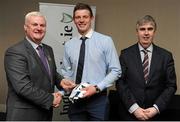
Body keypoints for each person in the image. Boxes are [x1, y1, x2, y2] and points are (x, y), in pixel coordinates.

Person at [4, 11, 75, 121]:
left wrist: (61, 81)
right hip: (24, 114)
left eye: (42, 25)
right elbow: (23, 87)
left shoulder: (48, 49)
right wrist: (50, 99)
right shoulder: (15, 52)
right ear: (25, 27)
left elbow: (51, 73)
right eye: (34, 24)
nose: (39, 28)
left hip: (45, 113)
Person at [61, 3, 121, 121]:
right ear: (74, 20)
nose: (81, 20)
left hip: (98, 101)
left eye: (85, 17)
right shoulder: (69, 45)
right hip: (76, 100)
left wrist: (97, 88)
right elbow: (66, 71)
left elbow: (116, 71)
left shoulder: (105, 41)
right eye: (78, 17)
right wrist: (65, 86)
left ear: (91, 18)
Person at [116, 15, 177, 121]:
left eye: (150, 29)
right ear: (137, 32)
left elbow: (171, 85)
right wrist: (134, 108)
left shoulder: (166, 56)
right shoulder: (125, 54)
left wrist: (155, 108)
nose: (146, 33)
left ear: (154, 32)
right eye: (142, 29)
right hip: (130, 114)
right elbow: (120, 83)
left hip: (157, 115)